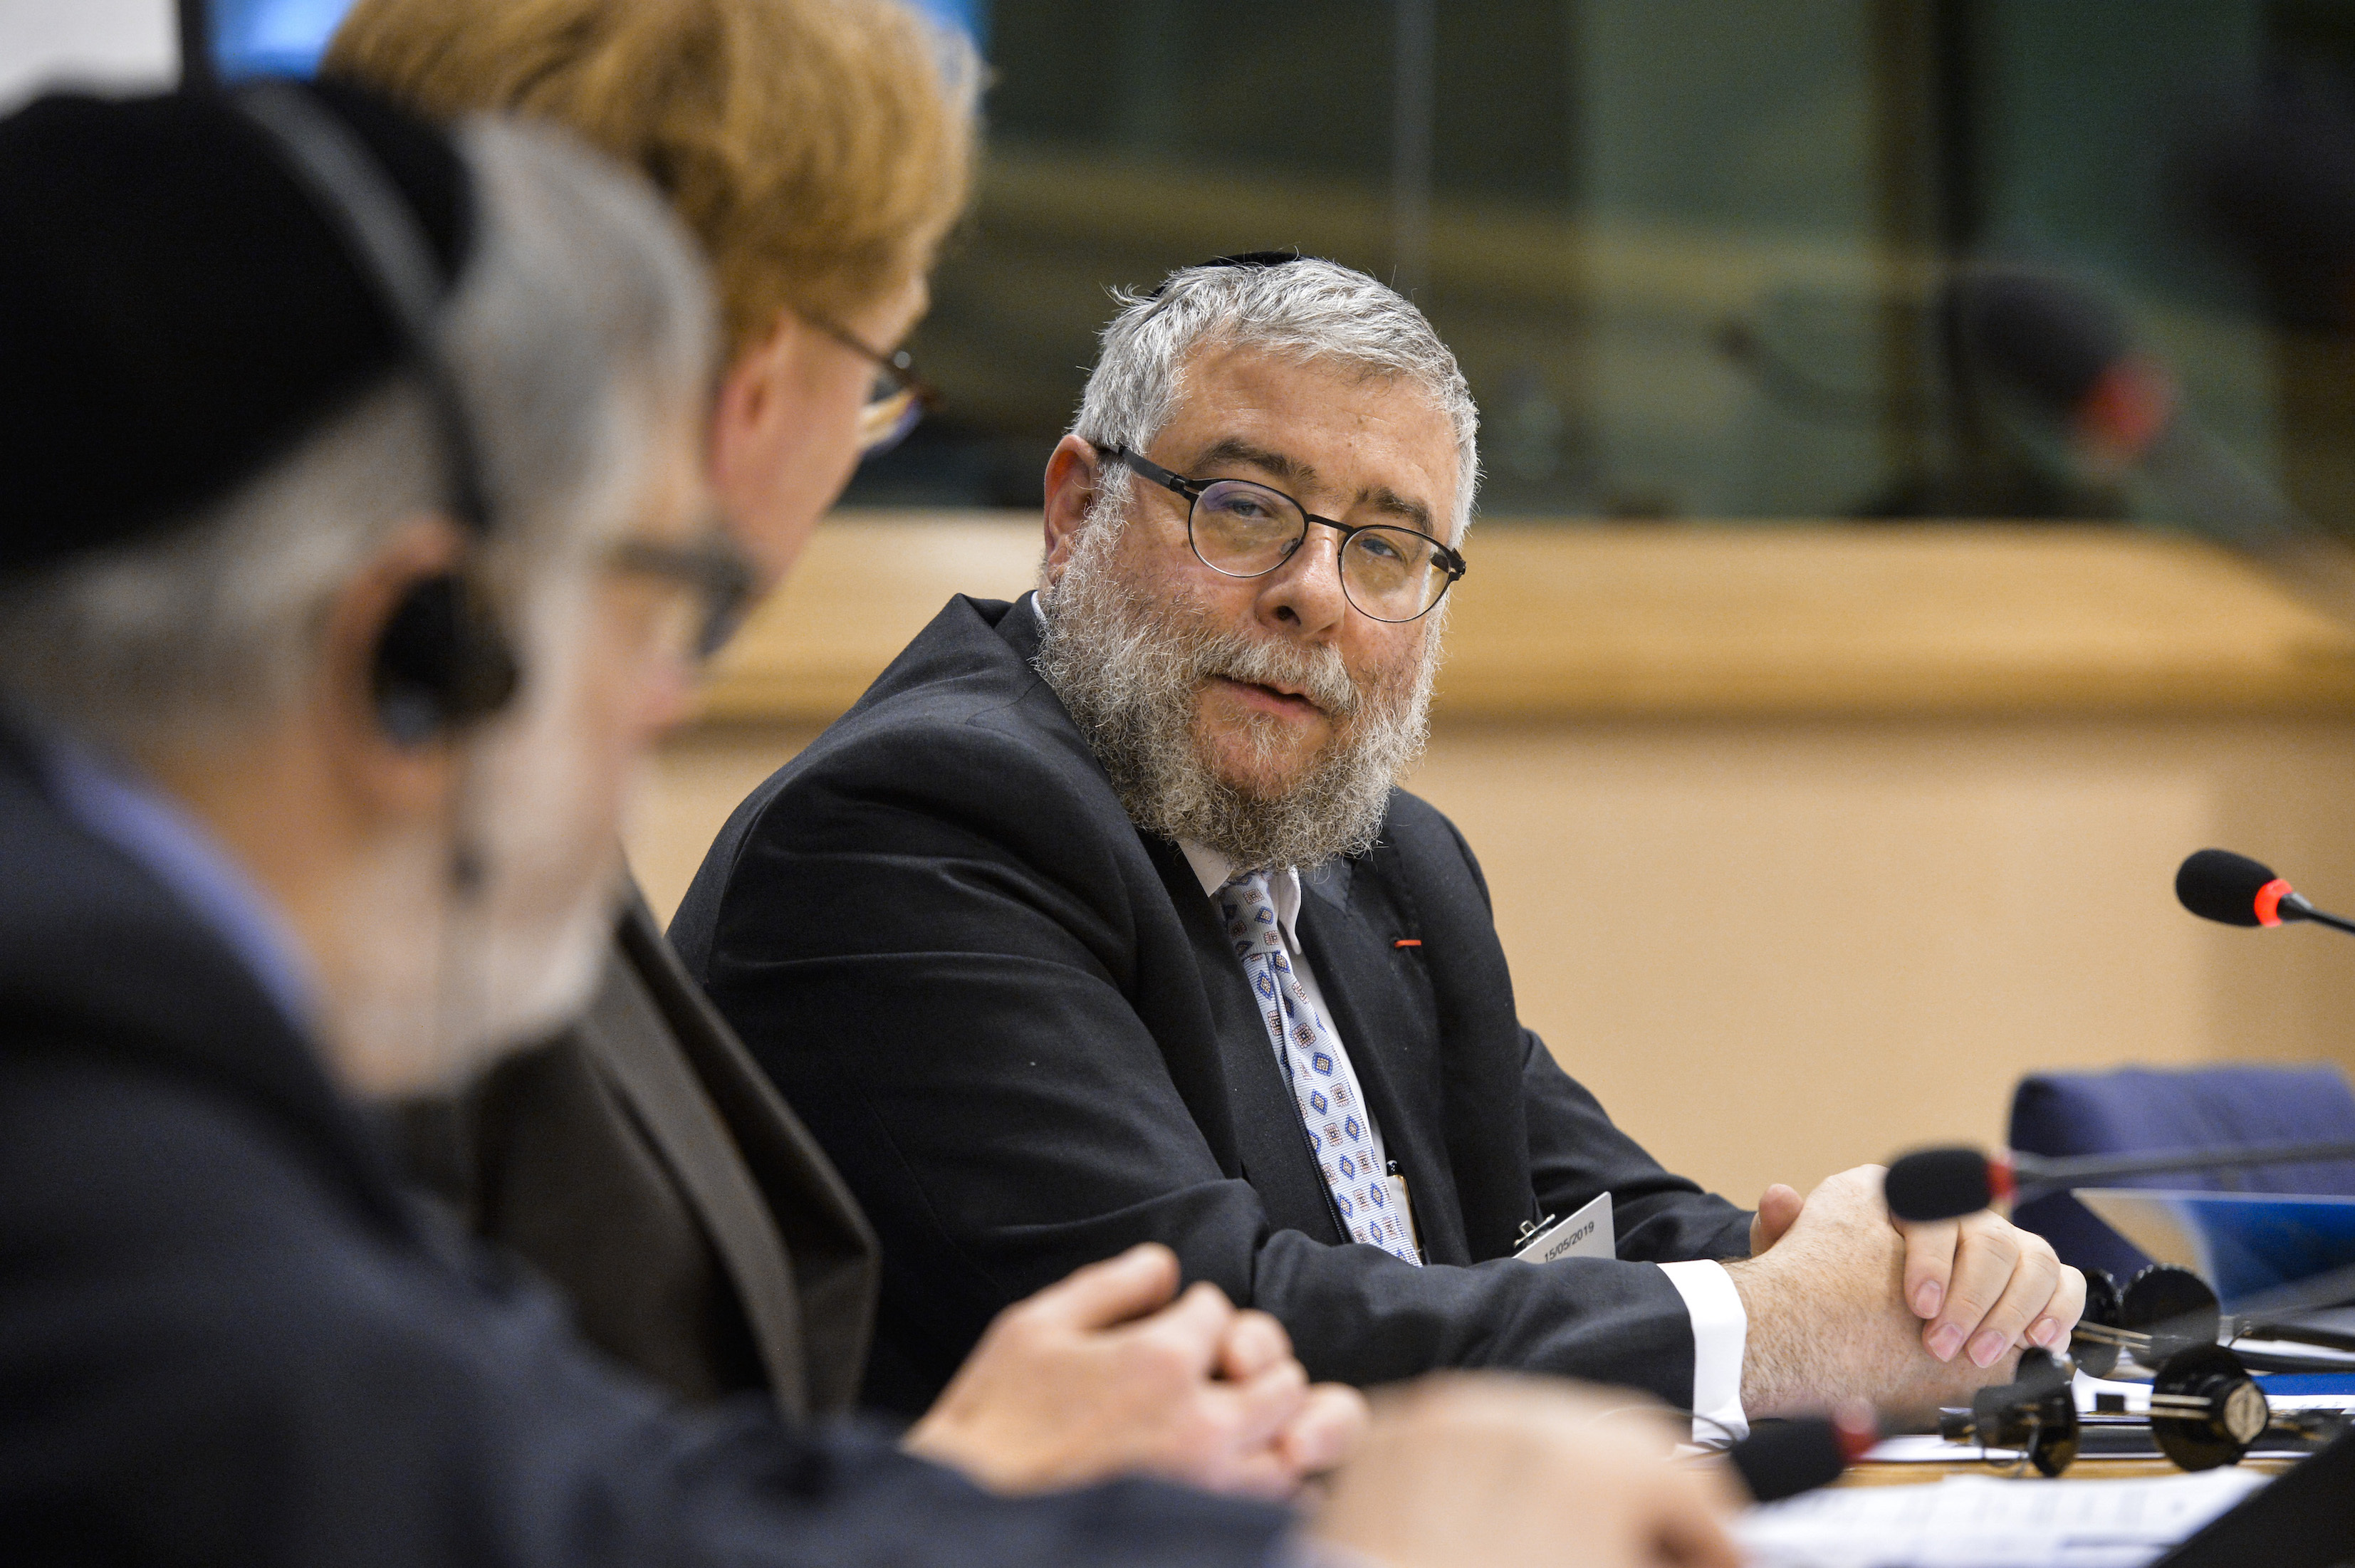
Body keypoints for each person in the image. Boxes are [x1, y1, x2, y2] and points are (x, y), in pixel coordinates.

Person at [0, 83, 1744, 1568]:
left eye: (1384, 548)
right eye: (659, 601)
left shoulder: (173, 1031)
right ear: (410, 649)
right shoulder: (86, 1117)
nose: (666, 701)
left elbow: (596, 1472)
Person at [671, 254, 2090, 1429]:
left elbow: (1585, 1224)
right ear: (1072, 511)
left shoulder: (1386, 865)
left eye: (1387, 550)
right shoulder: (913, 830)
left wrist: (1892, 1278)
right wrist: (1765, 1326)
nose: (1314, 594)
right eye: (1243, 510)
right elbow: (1218, 1335)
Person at [323, 0, 1365, 1495]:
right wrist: (955, 1484)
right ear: (753, 380)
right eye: (878, 373)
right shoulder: (372, 860)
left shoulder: (409, 756)